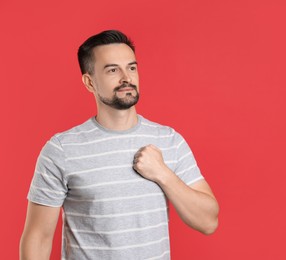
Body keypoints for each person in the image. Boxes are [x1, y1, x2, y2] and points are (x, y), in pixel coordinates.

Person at [20, 30, 219, 260]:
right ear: (89, 81)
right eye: (113, 70)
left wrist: (163, 174)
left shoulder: (169, 140)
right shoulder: (62, 150)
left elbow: (208, 221)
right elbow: (38, 237)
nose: (127, 77)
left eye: (132, 68)